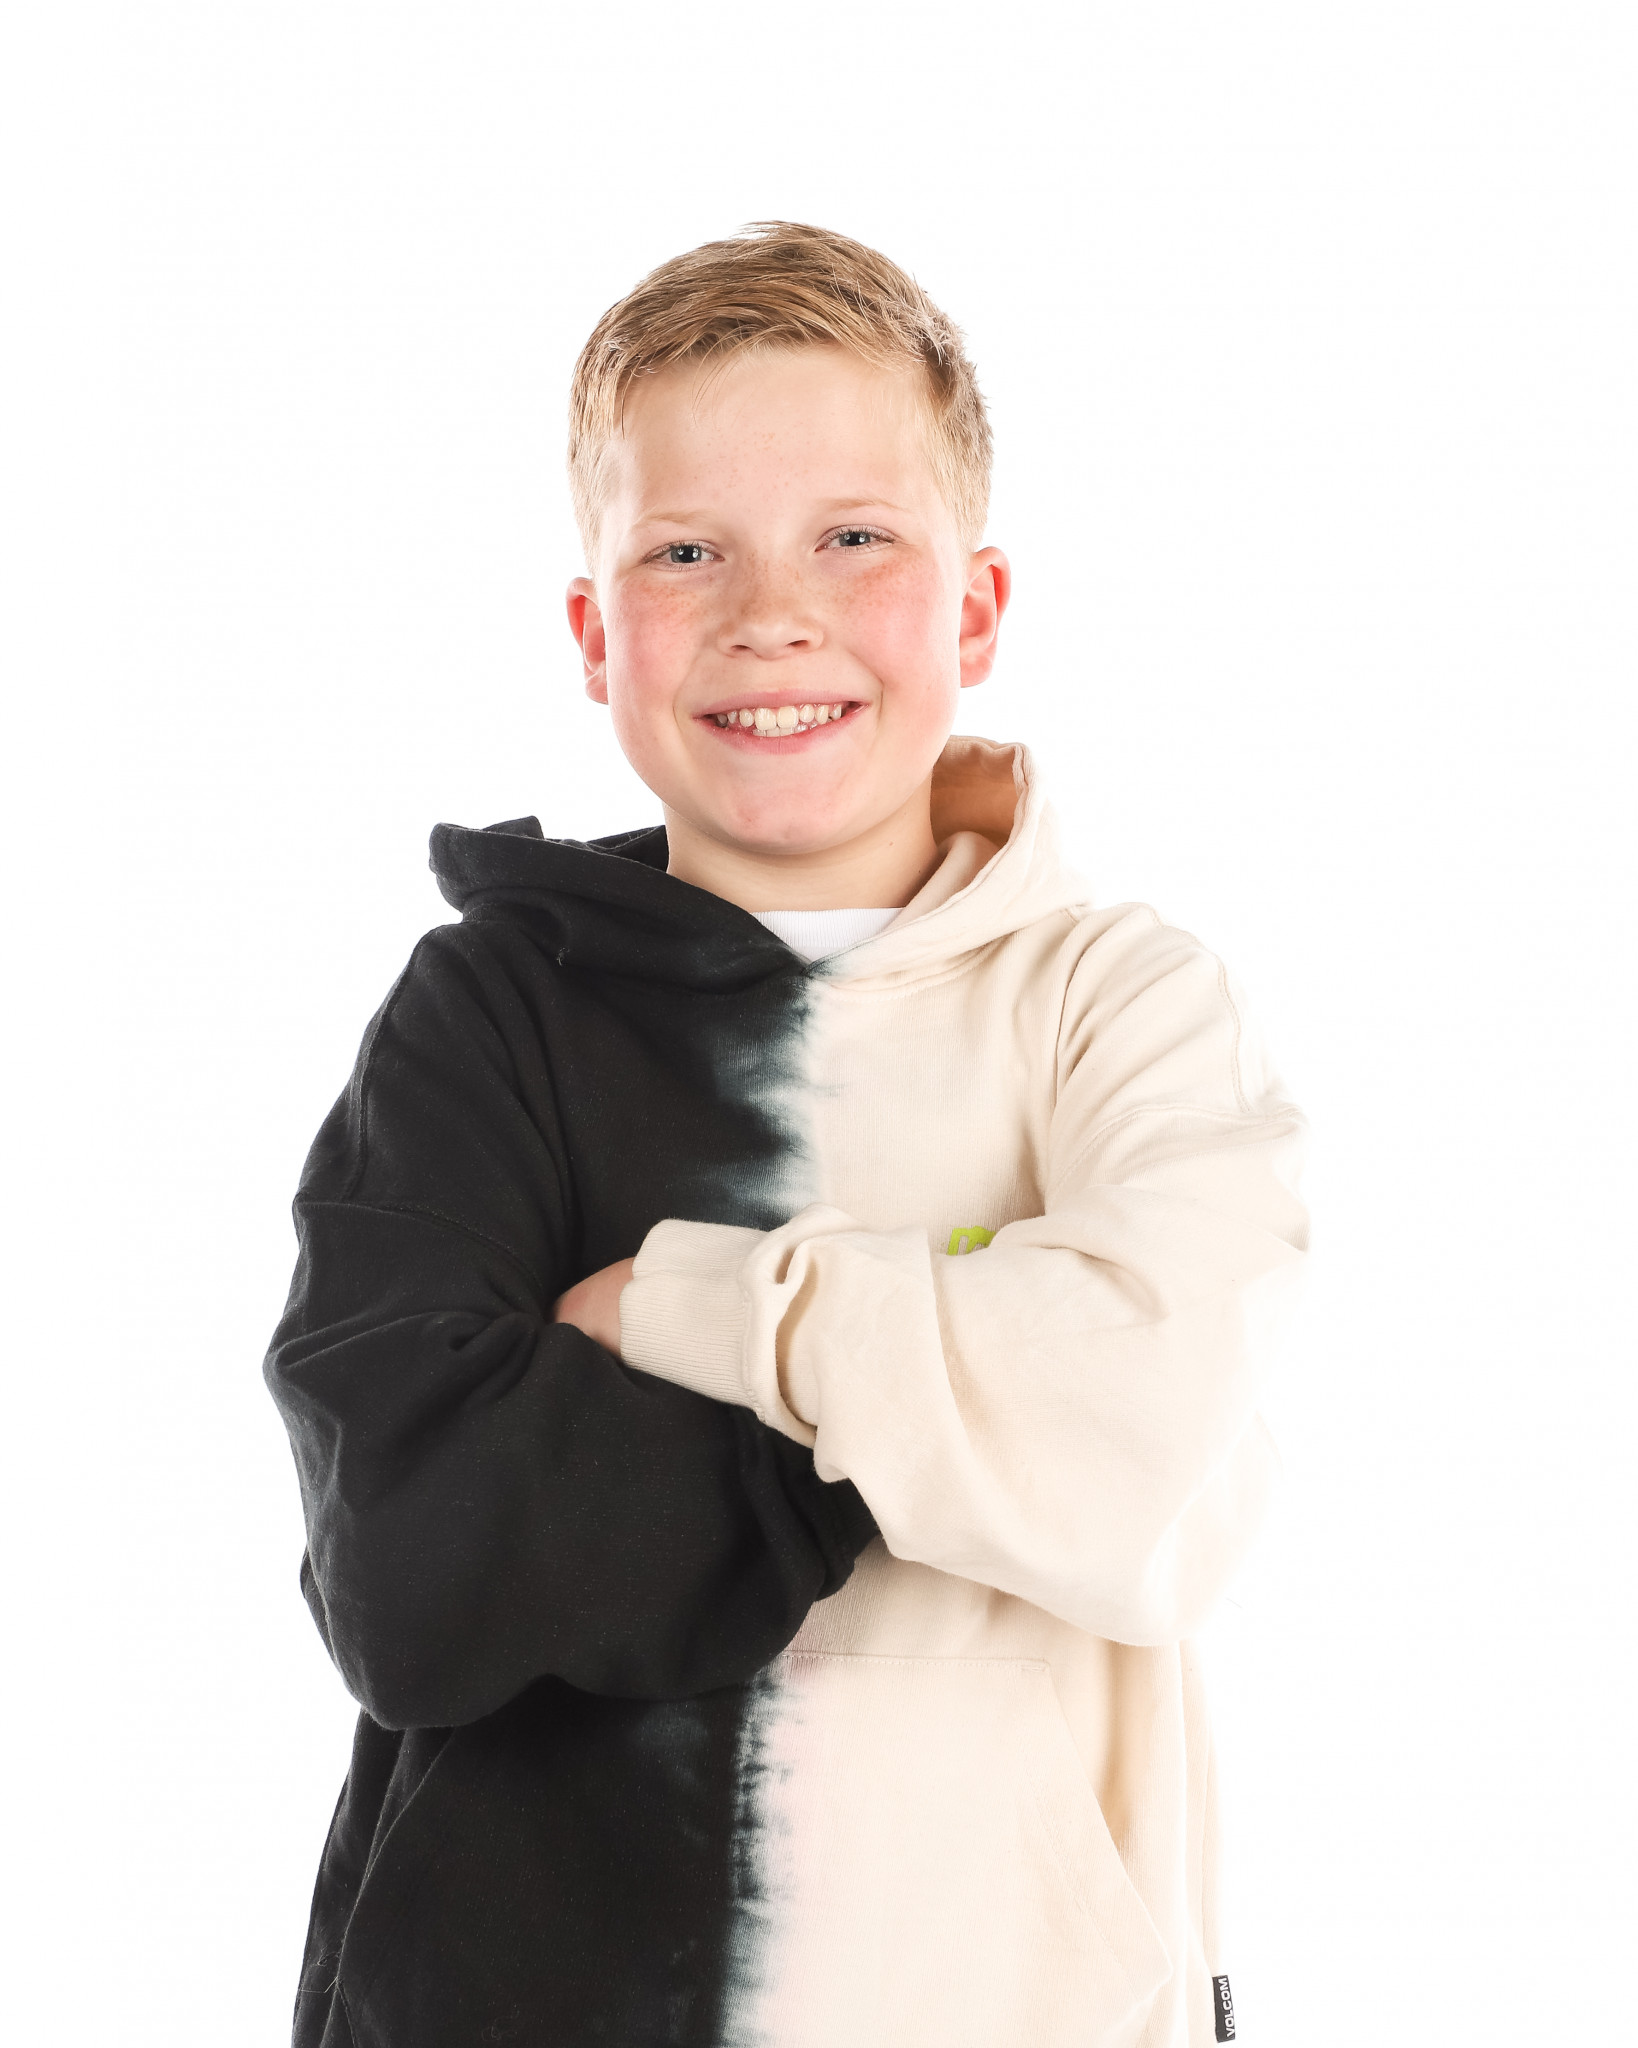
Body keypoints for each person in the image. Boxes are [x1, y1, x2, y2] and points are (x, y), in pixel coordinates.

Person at [265, 220, 1307, 2048]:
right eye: (686, 552)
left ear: (973, 609)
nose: (772, 614)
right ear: (594, 636)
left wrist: (682, 1312)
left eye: (853, 538)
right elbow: (419, 1570)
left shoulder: (1117, 1001)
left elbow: (1153, 1449)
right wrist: (972, 1362)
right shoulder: (487, 1013)